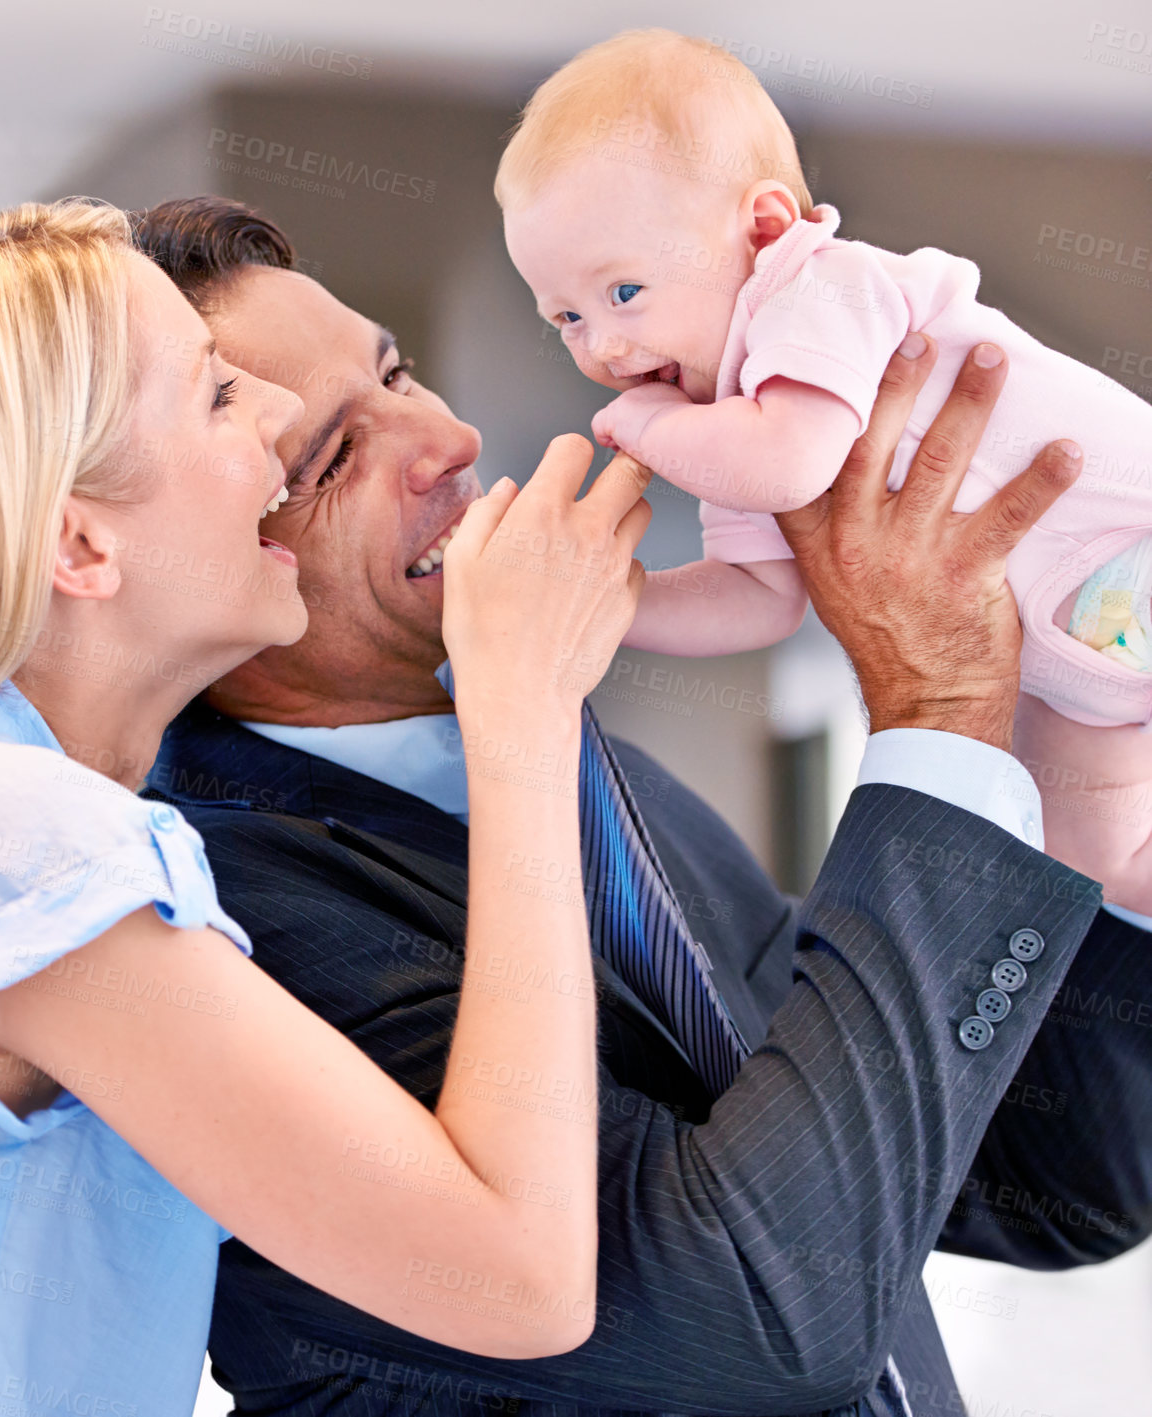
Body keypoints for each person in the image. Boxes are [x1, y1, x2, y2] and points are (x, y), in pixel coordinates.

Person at [133, 194, 1152, 1417]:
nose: (448, 437)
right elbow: (757, 1316)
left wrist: (1076, 749)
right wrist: (934, 710)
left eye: (398, 371)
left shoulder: (592, 785)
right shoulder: (216, 920)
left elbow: (1048, 1179)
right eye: (334, 456)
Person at [0, 198, 658, 1416]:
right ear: (79, 547)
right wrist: (522, 710)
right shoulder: (13, 848)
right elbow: (520, 1279)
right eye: (218, 394)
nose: (276, 421)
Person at [496, 31, 1152, 914]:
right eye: (565, 317)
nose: (604, 348)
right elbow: (757, 595)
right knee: (1100, 872)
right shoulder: (732, 415)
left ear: (762, 228)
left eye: (623, 294)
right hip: (1083, 686)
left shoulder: (820, 287)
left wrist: (647, 426)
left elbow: (789, 460)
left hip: (1124, 547)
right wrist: (615, 601)